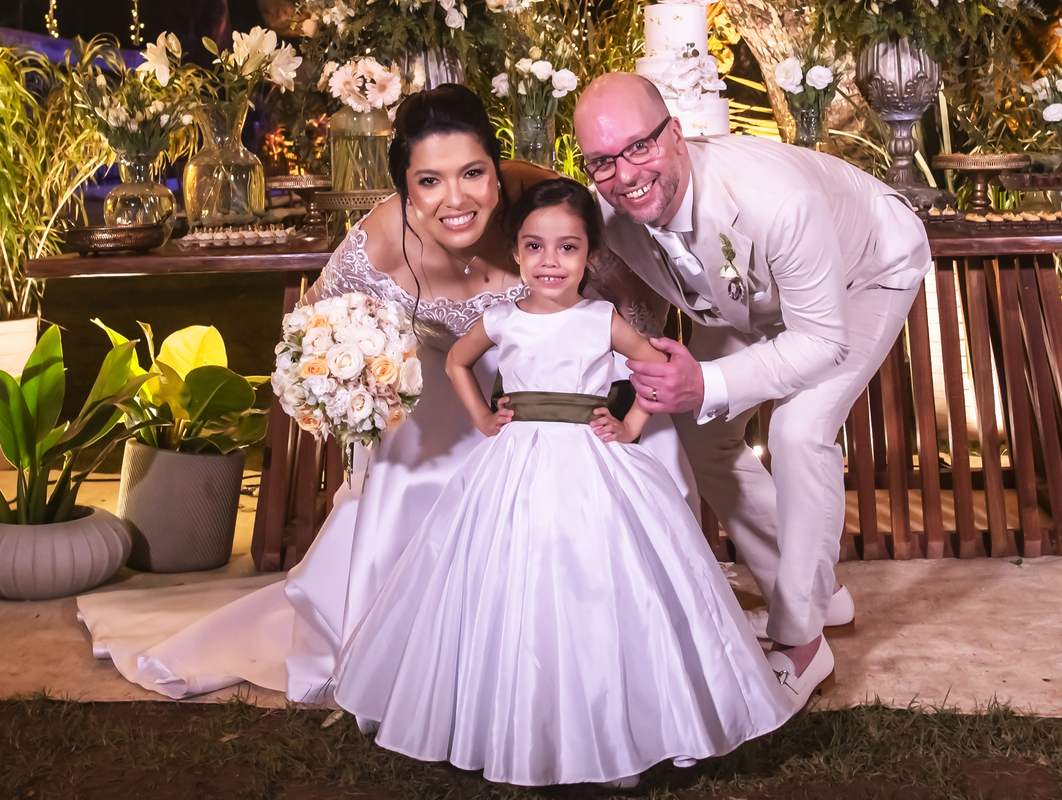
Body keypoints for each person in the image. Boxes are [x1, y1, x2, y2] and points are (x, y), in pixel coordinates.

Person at [76, 84, 696, 703]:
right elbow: (313, 334)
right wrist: (355, 387)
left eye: (474, 174)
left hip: (546, 384)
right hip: (443, 381)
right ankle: (427, 650)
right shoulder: (377, 245)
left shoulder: (546, 210)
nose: (456, 200)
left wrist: (599, 397)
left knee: (641, 445)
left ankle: (614, 630)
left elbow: (637, 313)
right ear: (404, 186)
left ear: (498, 168)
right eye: (430, 182)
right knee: (417, 472)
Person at [333, 178, 793, 786]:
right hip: (515, 462)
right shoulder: (501, 319)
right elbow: (455, 361)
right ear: (517, 252)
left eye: (568, 248)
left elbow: (656, 365)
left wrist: (630, 423)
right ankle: (511, 719)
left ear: (589, 255)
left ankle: (618, 729)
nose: (551, 262)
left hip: (591, 462)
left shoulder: (601, 319)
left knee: (599, 578)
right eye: (535, 247)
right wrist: (482, 417)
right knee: (511, 579)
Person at [573, 73, 932, 708]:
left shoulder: (775, 198)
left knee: (798, 431)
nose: (625, 175)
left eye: (639, 148)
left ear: (676, 134)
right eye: (602, 161)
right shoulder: (611, 213)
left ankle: (800, 641)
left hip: (865, 272)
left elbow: (822, 341)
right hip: (747, 304)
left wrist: (706, 379)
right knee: (701, 429)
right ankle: (815, 597)